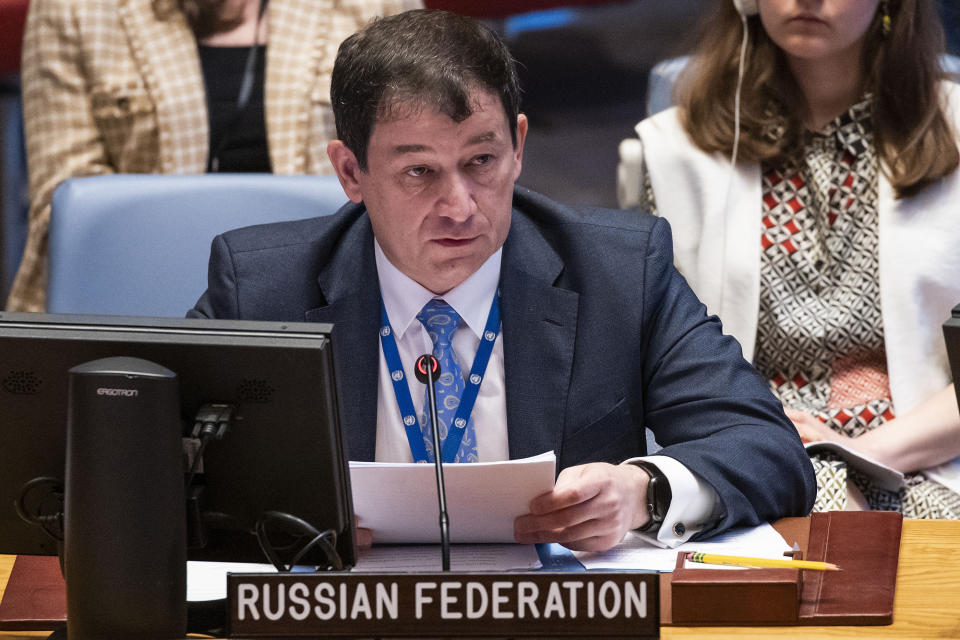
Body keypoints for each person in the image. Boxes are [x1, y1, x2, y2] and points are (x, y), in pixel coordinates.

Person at [190, 9, 815, 552]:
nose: (460, 205)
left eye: (481, 161)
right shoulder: (262, 288)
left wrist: (643, 490)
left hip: (552, 616)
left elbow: (765, 446)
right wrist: (272, 522)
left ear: (518, 145)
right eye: (418, 172)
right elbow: (152, 464)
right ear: (350, 172)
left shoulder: (618, 271)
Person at [619, 0, 960, 516]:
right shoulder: (674, 149)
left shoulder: (954, 127)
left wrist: (854, 455)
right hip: (748, 452)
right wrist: (789, 460)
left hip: (922, 452)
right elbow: (654, 362)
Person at [7, 0, 420, 313]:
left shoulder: (373, 5)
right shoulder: (73, 9)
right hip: (138, 293)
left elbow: (409, 170)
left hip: (327, 294)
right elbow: (68, 209)